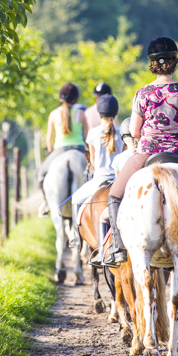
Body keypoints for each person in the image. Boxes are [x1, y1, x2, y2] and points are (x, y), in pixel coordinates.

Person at [105, 36, 178, 267]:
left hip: (146, 152)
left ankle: (118, 248)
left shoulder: (142, 94)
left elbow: (136, 131)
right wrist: (177, 137)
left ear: (152, 64)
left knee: (114, 195)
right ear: (175, 62)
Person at [71, 94, 123, 265]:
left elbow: (92, 161)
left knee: (76, 200)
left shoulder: (93, 133)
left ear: (99, 114)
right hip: (119, 180)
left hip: (99, 179)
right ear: (115, 113)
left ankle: (76, 240)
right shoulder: (122, 131)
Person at [38, 83, 88, 217]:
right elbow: (87, 138)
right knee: (91, 175)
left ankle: (46, 203)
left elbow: (49, 140)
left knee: (41, 174)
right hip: (79, 148)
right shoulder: (82, 114)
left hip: (60, 150)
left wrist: (51, 152)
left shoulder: (53, 114)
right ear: (75, 98)